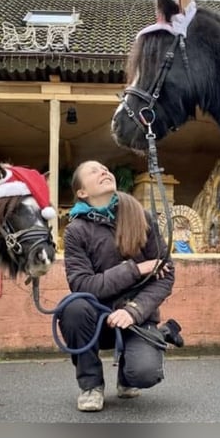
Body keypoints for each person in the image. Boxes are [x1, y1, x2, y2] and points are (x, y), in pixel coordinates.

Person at [59, 160, 175, 412]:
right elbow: (82, 285)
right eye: (93, 170)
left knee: (144, 374)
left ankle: (128, 374)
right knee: (73, 308)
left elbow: (166, 274)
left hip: (137, 316)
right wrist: (136, 268)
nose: (103, 171)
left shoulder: (140, 216)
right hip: (96, 318)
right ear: (82, 192)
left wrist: (133, 310)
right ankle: (91, 386)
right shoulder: (76, 230)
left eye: (105, 168)